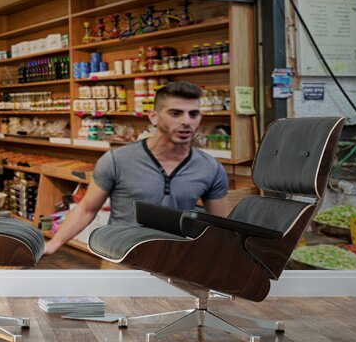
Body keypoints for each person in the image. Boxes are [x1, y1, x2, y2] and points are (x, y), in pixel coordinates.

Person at [44, 81, 228, 255]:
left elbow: (220, 226)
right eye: (175, 113)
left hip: (174, 262)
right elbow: (87, 208)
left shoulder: (210, 167)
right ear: (153, 117)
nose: (186, 121)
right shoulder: (117, 160)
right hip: (121, 258)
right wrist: (53, 244)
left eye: (193, 114)